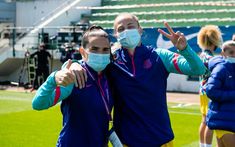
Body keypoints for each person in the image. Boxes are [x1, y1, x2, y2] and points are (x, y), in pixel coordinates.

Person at [69, 13, 206, 146]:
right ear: (116, 35)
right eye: (120, 29)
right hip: (126, 141)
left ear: (140, 29)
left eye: (130, 26)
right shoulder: (111, 60)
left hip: (161, 139)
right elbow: (87, 63)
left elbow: (199, 70)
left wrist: (185, 49)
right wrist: (73, 64)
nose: (126, 31)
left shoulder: (159, 56)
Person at [32, 26, 115, 146]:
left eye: (105, 49)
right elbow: (38, 104)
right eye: (94, 49)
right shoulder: (73, 76)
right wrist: (53, 78)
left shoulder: (111, 75)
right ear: (82, 52)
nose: (100, 54)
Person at [197, 25, 223, 147]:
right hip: (209, 93)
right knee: (210, 123)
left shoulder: (201, 55)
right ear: (214, 41)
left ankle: (202, 145)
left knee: (204, 121)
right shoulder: (211, 58)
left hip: (202, 91)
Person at [206, 40, 235, 147]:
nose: (234, 55)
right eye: (231, 53)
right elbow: (211, 91)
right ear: (223, 54)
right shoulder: (220, 69)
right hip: (223, 121)